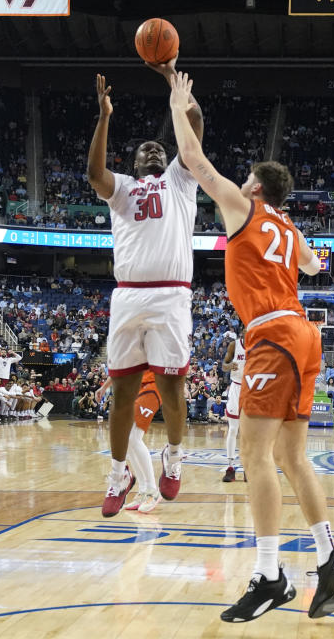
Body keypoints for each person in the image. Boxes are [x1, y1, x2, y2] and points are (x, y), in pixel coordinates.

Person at [166, 71, 334, 623]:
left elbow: (193, 159)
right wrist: (294, 237)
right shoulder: (290, 231)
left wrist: (180, 104)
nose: (239, 183)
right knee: (293, 457)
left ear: (253, 188)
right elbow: (316, 265)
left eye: (245, 179)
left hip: (273, 334)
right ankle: (329, 558)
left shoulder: (242, 208)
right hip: (304, 333)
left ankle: (270, 574)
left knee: (254, 458)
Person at [86, 59, 204, 517]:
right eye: (146, 150)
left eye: (160, 147)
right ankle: (119, 474)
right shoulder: (123, 189)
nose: (155, 151)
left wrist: (175, 85)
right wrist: (104, 118)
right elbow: (95, 174)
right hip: (129, 295)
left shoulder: (181, 178)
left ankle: (173, 459)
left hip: (172, 294)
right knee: (122, 394)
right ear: (135, 163)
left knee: (174, 390)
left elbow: (193, 125)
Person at [96, 374, 162, 513]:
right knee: (127, 438)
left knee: (134, 437)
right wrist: (104, 387)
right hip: (136, 387)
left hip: (154, 385)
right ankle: (143, 490)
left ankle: (152, 491)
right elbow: (121, 366)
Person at [221, 330, 246, 482]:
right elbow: (224, 366)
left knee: (249, 434)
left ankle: (247, 468)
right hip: (236, 387)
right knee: (233, 429)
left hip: (252, 389)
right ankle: (230, 467)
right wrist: (230, 365)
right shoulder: (234, 345)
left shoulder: (259, 346)